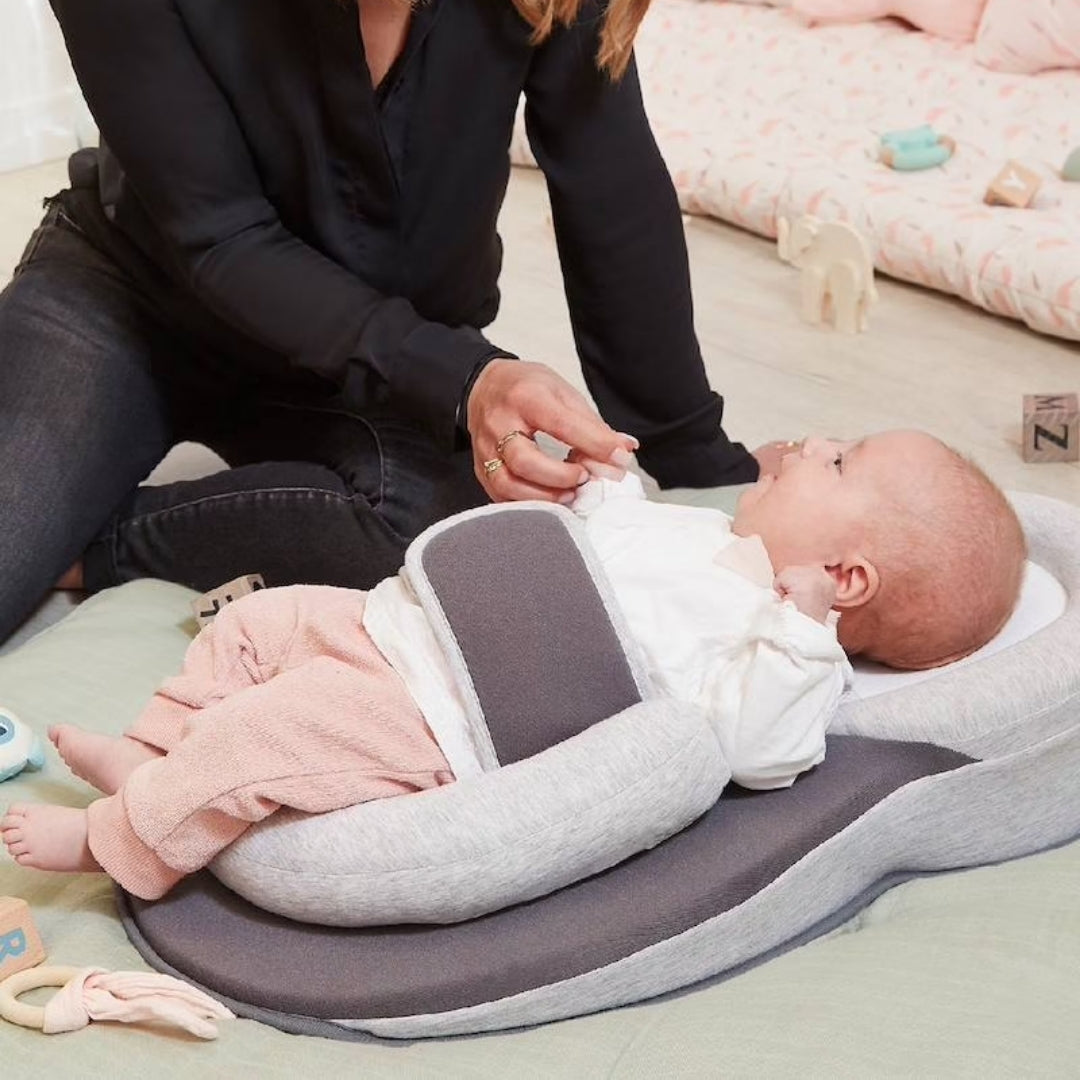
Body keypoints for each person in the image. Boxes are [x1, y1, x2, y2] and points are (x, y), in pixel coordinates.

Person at [0, 0, 786, 647]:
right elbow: (221, 237)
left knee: (477, 532)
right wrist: (463, 378)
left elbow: (610, 188)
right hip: (133, 301)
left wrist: (696, 461)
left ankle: (96, 548)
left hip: (375, 356)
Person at [2, 430, 1026, 899]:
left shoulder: (778, 646)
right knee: (253, 628)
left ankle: (117, 841)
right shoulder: (710, 537)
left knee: (268, 735)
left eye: (839, 463)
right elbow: (600, 545)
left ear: (844, 578)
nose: (809, 444)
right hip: (401, 621)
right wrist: (603, 487)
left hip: (437, 710)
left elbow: (755, 751)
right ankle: (152, 759)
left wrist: (800, 634)